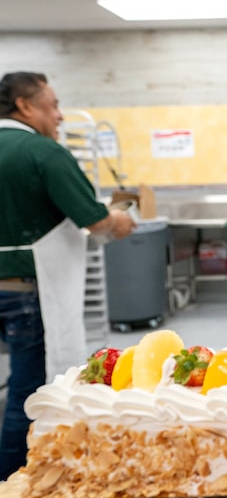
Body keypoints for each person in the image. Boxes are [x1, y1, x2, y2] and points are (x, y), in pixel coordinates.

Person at [0, 71, 136, 479]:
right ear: (25, 105)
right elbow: (95, 222)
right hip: (26, 292)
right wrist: (121, 220)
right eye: (53, 105)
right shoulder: (41, 153)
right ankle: (14, 477)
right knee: (30, 390)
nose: (59, 116)